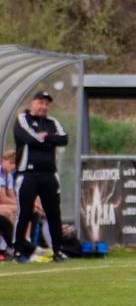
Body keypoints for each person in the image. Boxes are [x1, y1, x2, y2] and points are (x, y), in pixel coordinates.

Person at [13, 91, 70, 262]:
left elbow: (64, 139)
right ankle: (18, 251)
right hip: (28, 174)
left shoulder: (52, 122)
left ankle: (57, 251)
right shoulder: (23, 119)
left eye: (46, 104)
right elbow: (28, 138)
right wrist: (46, 140)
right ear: (32, 103)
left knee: (54, 214)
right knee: (24, 213)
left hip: (49, 175)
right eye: (40, 102)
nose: (43, 106)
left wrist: (46, 137)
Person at [0, 149, 17, 261]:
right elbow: (3, 198)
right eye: (11, 163)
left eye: (15, 164)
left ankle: (26, 242)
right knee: (10, 212)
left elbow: (11, 196)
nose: (13, 166)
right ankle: (9, 247)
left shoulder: (8, 176)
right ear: (3, 161)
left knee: (28, 211)